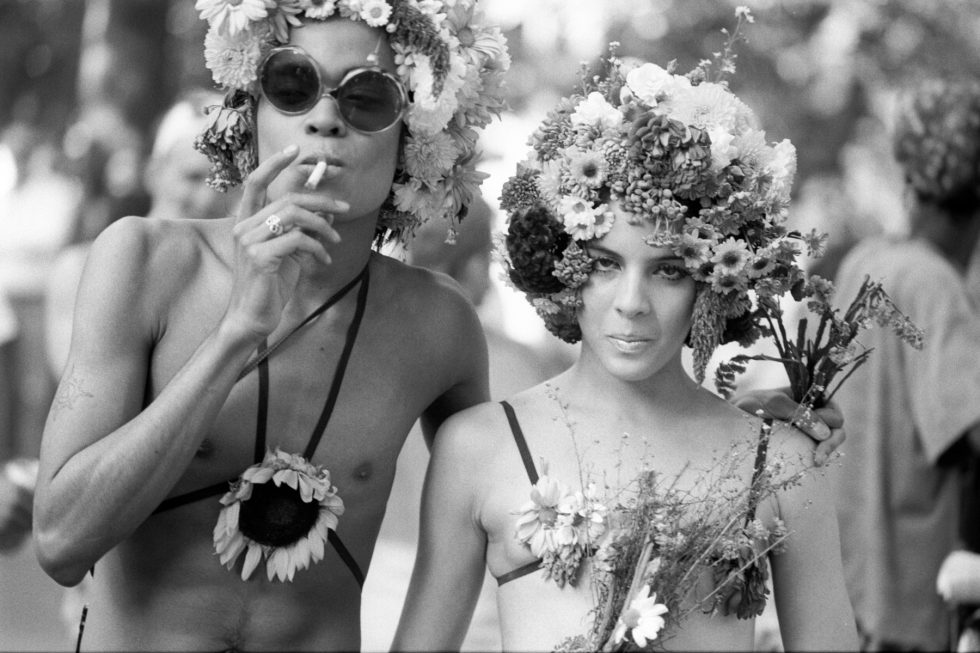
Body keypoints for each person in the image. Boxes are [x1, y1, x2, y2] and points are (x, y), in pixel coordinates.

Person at [33, 3, 509, 650]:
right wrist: (236, 333)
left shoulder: (439, 327)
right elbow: (61, 543)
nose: (324, 118)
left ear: (416, 138)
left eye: (367, 98)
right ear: (249, 113)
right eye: (293, 85)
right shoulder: (143, 260)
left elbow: (473, 530)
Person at [393, 44, 857, 651]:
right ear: (563, 265)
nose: (632, 302)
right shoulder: (478, 448)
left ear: (716, 276)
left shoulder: (783, 463)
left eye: (667, 269)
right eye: (606, 264)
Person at [831, 78, 980, 652]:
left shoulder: (863, 266)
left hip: (849, 596)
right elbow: (971, 431)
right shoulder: (938, 288)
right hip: (918, 612)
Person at [44, 89, 233, 380]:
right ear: (154, 172)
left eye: (223, 182)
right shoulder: (79, 268)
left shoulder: (234, 278)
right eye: (192, 177)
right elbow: (81, 400)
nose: (207, 198)